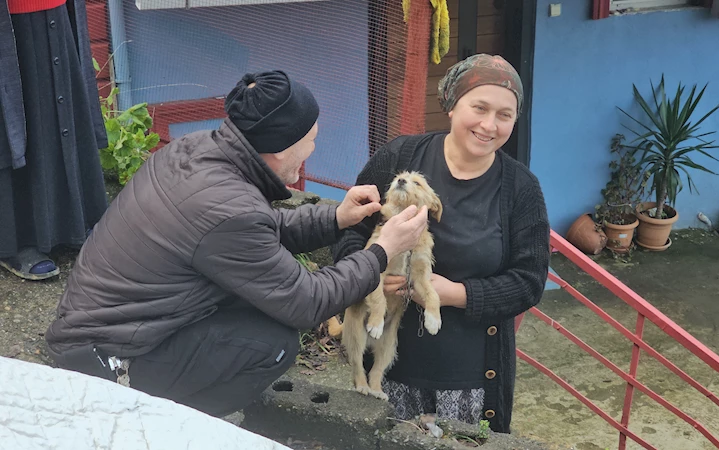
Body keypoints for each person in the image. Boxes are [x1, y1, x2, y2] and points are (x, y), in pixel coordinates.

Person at [44, 70, 430, 418]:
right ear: (281, 146)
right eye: (311, 140)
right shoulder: (230, 210)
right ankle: (169, 424)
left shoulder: (196, 149)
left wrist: (336, 217)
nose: (313, 149)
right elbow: (307, 301)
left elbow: (259, 229)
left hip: (100, 327)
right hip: (108, 360)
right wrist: (382, 251)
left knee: (258, 304)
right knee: (274, 342)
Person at [332, 54, 550, 433]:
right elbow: (348, 230)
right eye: (479, 108)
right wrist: (366, 272)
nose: (489, 125)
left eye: (504, 115)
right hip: (391, 372)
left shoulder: (521, 189)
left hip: (471, 381)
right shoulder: (400, 158)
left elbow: (529, 282)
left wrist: (457, 294)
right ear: (452, 105)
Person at [0, 0, 109, 280]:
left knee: (60, 115)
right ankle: (20, 241)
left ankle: (75, 222)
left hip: (55, 11)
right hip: (9, 20)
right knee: (13, 124)